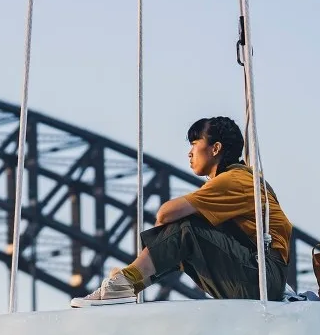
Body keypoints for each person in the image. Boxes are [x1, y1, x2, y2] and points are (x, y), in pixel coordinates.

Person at [71, 115, 292, 306]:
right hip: (261, 276)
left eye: (195, 144)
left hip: (262, 278)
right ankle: (129, 282)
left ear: (215, 148)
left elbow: (165, 214)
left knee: (185, 227)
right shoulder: (244, 178)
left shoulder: (234, 180)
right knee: (187, 235)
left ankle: (125, 283)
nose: (189, 153)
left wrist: (165, 236)